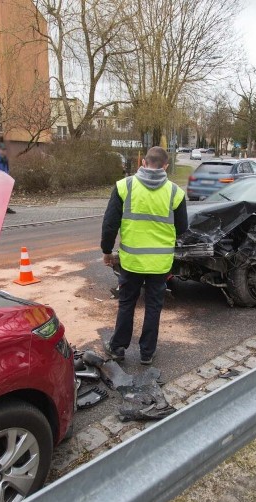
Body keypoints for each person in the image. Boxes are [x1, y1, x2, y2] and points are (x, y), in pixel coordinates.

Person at [101, 146, 187, 365]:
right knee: (153, 306)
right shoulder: (175, 192)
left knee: (127, 303)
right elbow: (183, 228)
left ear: (143, 162)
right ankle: (147, 353)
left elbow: (110, 224)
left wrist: (107, 251)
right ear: (166, 166)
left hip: (132, 261)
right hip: (160, 263)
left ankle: (118, 348)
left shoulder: (124, 186)